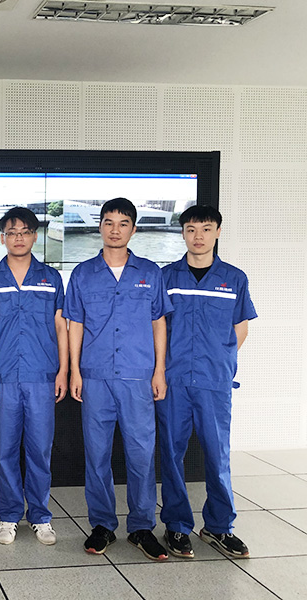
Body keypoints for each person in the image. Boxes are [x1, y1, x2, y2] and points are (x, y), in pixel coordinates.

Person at [64, 197, 173, 561]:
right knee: (97, 454)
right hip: (95, 377)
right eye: (108, 222)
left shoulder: (150, 272)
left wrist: (159, 371)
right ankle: (102, 524)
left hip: (137, 377)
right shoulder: (83, 274)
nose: (115, 230)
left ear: (133, 229)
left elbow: (159, 323)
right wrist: (75, 370)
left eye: (123, 223)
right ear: (100, 227)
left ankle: (141, 527)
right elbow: (75, 324)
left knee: (141, 454)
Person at [156, 205, 256, 559]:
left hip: (214, 383)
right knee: (171, 454)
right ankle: (177, 525)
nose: (198, 236)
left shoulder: (234, 278)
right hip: (174, 381)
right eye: (191, 229)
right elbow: (157, 327)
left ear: (217, 232)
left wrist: (218, 359)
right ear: (183, 233)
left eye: (206, 229)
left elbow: (240, 328)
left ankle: (218, 526)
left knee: (217, 455)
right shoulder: (166, 278)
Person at [0, 207, 68, 546]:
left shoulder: (51, 278)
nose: (18, 238)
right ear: (3, 238)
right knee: (6, 450)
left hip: (42, 377)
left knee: (40, 450)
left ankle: (40, 516)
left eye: (25, 232)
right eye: (12, 232)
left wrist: (64, 370)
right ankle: (9, 515)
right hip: (3, 378)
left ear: (34, 236)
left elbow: (61, 326)